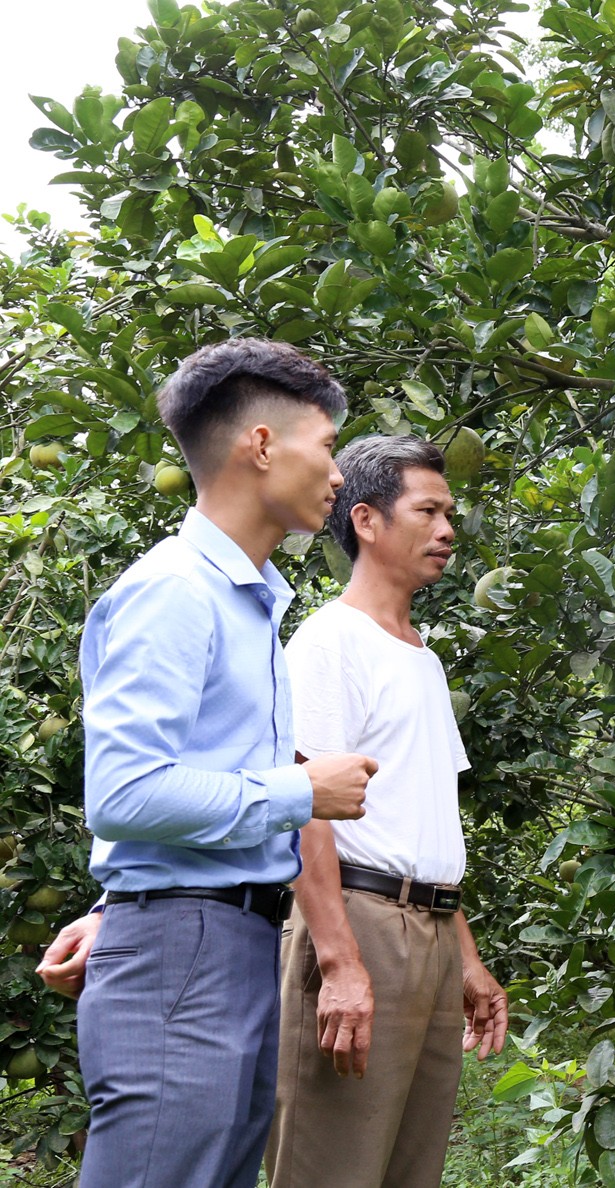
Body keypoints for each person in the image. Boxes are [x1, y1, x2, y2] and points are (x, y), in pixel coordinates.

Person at [34, 338, 377, 1187]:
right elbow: (125, 794)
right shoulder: (176, 592)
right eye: (327, 446)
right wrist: (302, 788)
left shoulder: (246, 603)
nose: (337, 475)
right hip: (187, 951)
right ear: (262, 445)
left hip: (223, 938)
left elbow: (173, 784)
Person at [264, 434, 508, 1188]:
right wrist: (337, 962)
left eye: (450, 514)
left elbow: (426, 821)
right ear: (367, 522)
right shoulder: (331, 643)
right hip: (362, 922)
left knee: (410, 1169)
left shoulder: (422, 657)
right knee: (332, 1166)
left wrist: (466, 960)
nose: (447, 531)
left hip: (429, 930)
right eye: (428, 511)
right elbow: (307, 811)